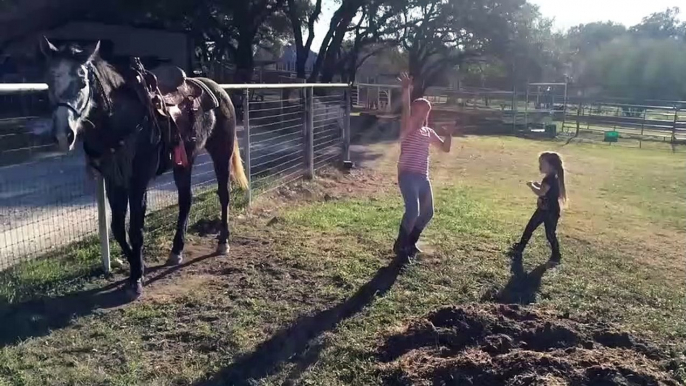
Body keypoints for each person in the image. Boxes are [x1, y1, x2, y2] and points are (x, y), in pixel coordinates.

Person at [393, 73, 456, 261]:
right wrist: (406, 90)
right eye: (420, 109)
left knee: (428, 213)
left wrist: (449, 134)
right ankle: (400, 245)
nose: (424, 113)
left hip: (423, 177)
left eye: (426, 111)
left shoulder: (428, 132)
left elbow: (445, 149)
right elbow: (405, 110)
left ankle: (411, 243)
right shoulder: (408, 127)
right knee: (413, 211)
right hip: (407, 175)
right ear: (414, 111)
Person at [511, 152, 567, 266]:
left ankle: (556, 255)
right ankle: (520, 247)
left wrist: (532, 186)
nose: (540, 166)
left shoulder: (550, 179)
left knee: (550, 233)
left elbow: (541, 192)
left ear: (551, 165)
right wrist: (537, 184)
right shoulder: (551, 177)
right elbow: (544, 190)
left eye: (542, 163)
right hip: (544, 209)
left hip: (550, 211)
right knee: (530, 227)